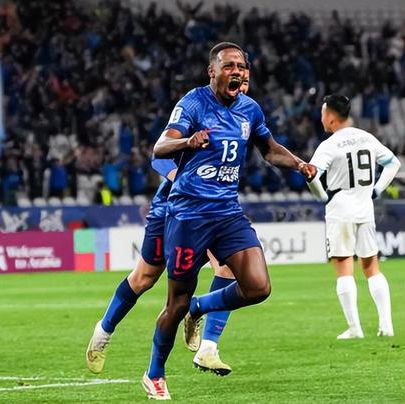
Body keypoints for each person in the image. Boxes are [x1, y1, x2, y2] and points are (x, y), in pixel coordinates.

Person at [142, 42, 316, 400]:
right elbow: (160, 147)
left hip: (227, 212)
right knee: (175, 303)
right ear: (212, 71)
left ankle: (200, 307)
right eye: (228, 66)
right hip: (189, 214)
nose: (236, 71)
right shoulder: (193, 103)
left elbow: (269, 150)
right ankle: (154, 373)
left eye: (241, 66)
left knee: (258, 287)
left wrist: (299, 163)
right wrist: (188, 141)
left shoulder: (250, 109)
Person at [85, 59, 256, 378]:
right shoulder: (197, 109)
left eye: (245, 83)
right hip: (172, 209)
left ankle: (208, 348)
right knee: (144, 278)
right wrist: (186, 179)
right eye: (237, 82)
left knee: (228, 268)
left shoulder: (243, 118)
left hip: (210, 211)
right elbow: (159, 158)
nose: (241, 88)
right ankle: (104, 330)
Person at [306, 94, 399, 339]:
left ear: (331, 117)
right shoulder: (366, 137)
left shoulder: (329, 145)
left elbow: (313, 176)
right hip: (365, 208)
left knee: (344, 267)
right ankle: (386, 326)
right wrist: (376, 190)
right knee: (372, 267)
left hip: (340, 210)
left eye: (323, 113)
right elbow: (393, 164)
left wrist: (322, 196)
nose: (321, 118)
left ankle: (355, 328)